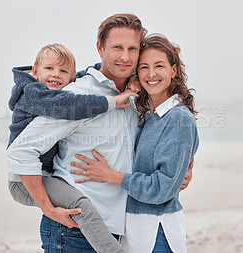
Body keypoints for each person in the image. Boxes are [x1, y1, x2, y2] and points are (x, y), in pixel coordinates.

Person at [7, 14, 193, 252]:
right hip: (73, 229)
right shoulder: (78, 95)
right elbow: (21, 150)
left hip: (119, 230)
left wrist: (181, 170)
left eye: (132, 49)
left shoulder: (137, 97)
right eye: (117, 47)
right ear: (100, 47)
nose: (125, 57)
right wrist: (47, 206)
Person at [70, 34, 199, 253]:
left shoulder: (178, 118)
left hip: (157, 230)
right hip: (134, 228)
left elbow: (161, 188)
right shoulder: (147, 115)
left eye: (159, 66)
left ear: (174, 70)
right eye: (144, 67)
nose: (151, 74)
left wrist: (110, 175)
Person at [7, 43, 136, 253]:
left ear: (72, 78)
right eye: (49, 68)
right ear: (35, 71)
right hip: (23, 179)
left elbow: (88, 76)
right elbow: (74, 104)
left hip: (44, 176)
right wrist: (111, 101)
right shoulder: (35, 93)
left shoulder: (61, 90)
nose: (56, 75)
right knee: (82, 207)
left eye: (63, 71)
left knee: (81, 207)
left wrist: (126, 76)